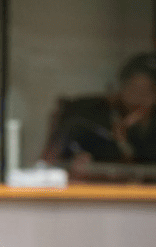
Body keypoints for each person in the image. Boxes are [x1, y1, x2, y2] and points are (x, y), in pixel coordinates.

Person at [41, 52, 156, 181]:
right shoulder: (86, 116)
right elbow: (48, 165)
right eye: (134, 89)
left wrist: (125, 143)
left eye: (149, 91)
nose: (139, 98)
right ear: (121, 88)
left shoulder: (149, 129)